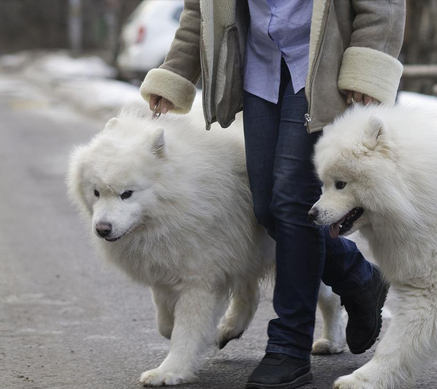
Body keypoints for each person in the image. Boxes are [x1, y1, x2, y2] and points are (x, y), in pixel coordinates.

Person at [139, 1, 405, 388]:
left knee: (293, 203)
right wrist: (175, 72)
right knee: (266, 209)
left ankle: (289, 347)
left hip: (322, 66)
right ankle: (358, 276)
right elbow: (202, 10)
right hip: (260, 66)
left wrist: (368, 66)